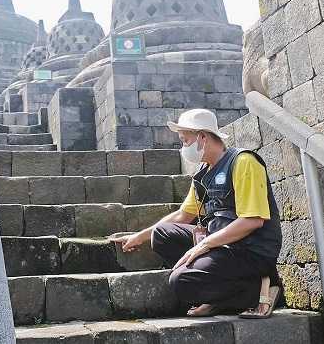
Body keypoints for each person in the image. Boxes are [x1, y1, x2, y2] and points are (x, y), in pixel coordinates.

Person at [110, 109, 283, 318]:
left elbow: (253, 221)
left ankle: (259, 289)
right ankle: (222, 292)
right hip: (221, 244)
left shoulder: (243, 162)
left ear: (202, 137)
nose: (183, 147)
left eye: (185, 140)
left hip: (251, 251)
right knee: (161, 234)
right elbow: (183, 215)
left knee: (180, 282)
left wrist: (204, 245)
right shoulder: (204, 172)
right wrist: (139, 237)